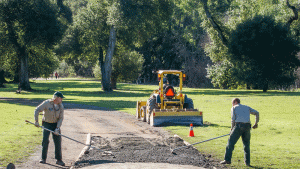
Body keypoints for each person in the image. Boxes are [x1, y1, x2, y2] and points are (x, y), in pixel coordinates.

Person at [220, 98, 259, 166]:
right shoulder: (247, 107)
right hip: (247, 127)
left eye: (232, 103)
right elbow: (257, 113)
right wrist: (256, 123)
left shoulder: (234, 108)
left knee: (230, 143)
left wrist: (232, 129)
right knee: (246, 144)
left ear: (235, 102)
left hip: (239, 126)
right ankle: (247, 163)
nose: (232, 104)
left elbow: (233, 120)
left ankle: (227, 160)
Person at [34, 91, 65, 166]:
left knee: (57, 142)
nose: (62, 100)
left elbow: (61, 118)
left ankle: (59, 159)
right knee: (45, 141)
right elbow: (37, 110)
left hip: (55, 125)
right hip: (46, 124)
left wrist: (57, 128)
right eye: (61, 98)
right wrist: (36, 121)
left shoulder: (61, 106)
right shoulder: (46, 103)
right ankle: (43, 158)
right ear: (56, 98)